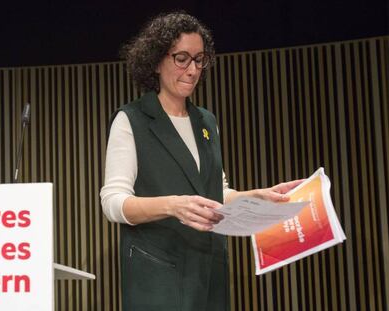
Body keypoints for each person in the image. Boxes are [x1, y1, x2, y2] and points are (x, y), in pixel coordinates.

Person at [100, 12, 303, 311]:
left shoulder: (206, 121)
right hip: (158, 277)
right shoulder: (131, 120)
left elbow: (215, 192)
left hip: (209, 270)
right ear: (156, 61)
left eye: (199, 59)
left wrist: (256, 196)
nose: (192, 70)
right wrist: (172, 205)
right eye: (181, 58)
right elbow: (113, 202)